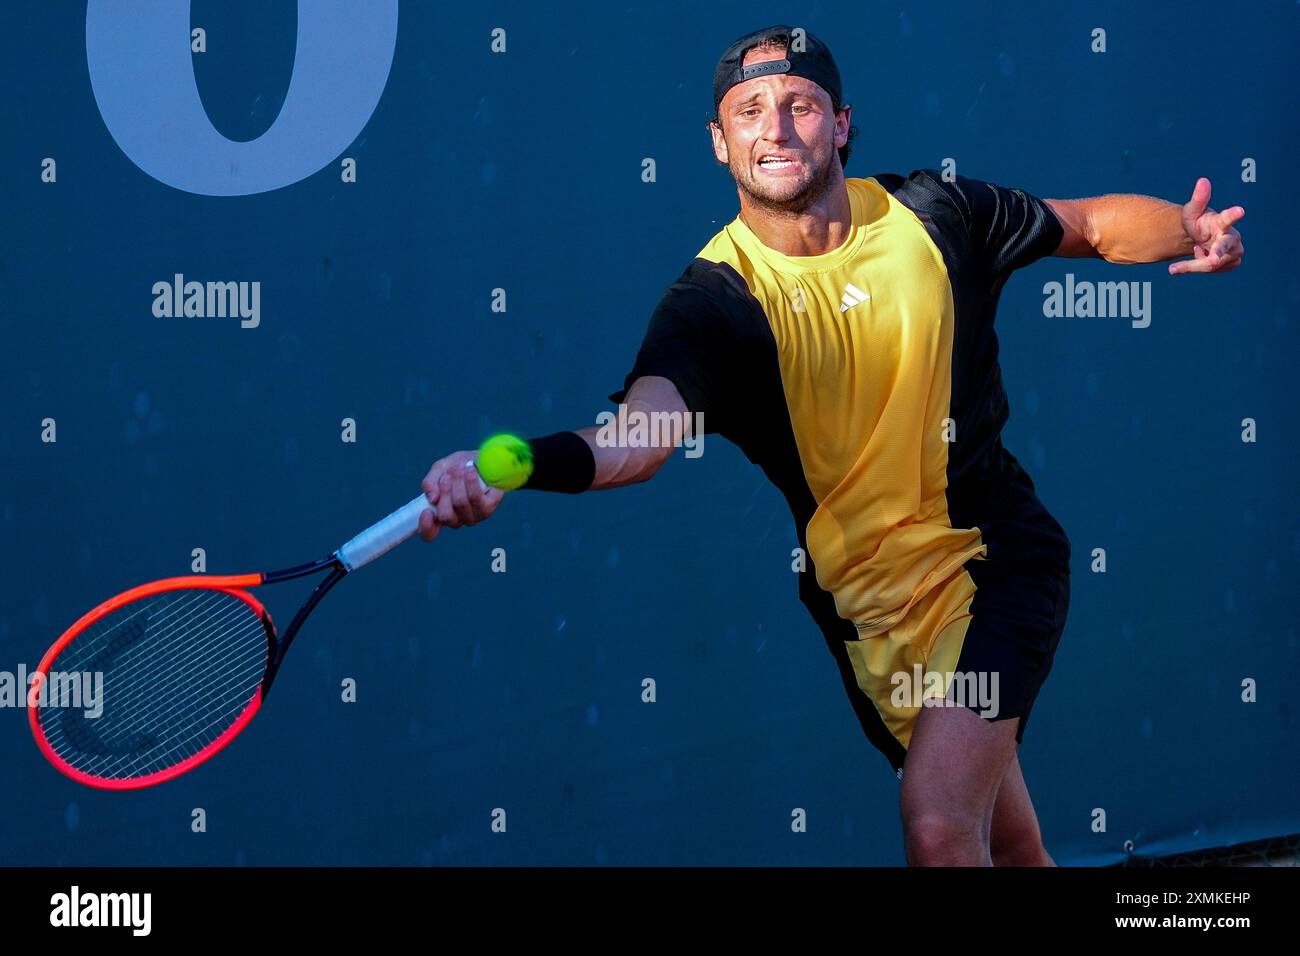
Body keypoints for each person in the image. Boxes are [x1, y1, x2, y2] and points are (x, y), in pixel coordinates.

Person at [415, 24, 1245, 866]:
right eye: (749, 111)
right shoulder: (715, 304)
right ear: (718, 141)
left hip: (994, 561)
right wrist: (515, 465)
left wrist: (1187, 229)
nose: (775, 128)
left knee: (937, 822)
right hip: (868, 615)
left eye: (799, 105)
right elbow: (639, 439)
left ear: (840, 124)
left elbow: (1093, 225)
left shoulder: (937, 216)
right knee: (1009, 842)